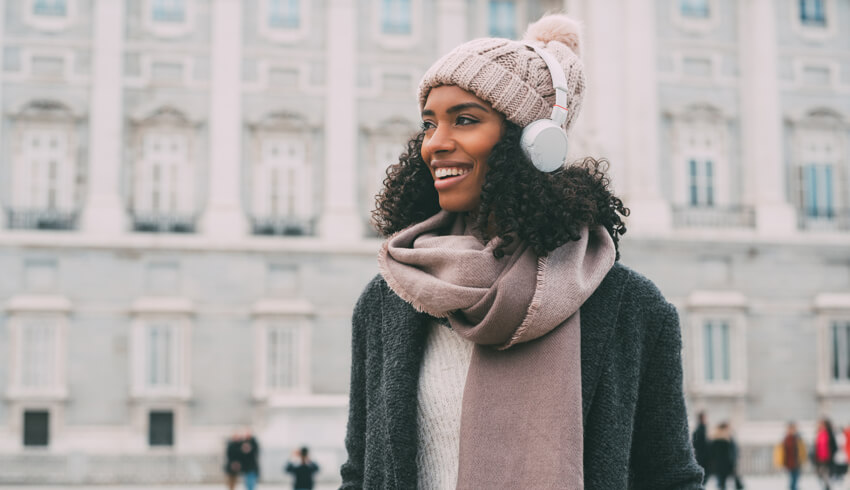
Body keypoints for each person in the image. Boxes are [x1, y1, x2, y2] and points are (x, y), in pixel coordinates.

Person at [339, 12, 703, 490]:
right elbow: (359, 474)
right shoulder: (388, 299)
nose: (435, 144)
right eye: (429, 124)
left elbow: (670, 478)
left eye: (464, 120)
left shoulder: (632, 308)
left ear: (534, 140)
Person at [774, 421, 807, 490]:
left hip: (797, 463)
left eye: (792, 428)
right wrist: (779, 462)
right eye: (790, 428)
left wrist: (803, 460)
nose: (791, 430)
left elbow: (802, 451)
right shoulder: (785, 439)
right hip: (789, 463)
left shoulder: (798, 439)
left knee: (794, 481)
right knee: (792, 481)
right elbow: (780, 451)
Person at [709, 422, 737, 490]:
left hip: (718, 463)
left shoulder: (714, 438)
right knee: (724, 481)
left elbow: (711, 453)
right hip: (726, 463)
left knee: (721, 481)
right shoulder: (727, 438)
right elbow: (730, 452)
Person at [813, 418, 838, 490]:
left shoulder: (830, 434)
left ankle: (827, 487)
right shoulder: (819, 434)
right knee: (821, 475)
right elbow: (816, 447)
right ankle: (826, 486)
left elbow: (834, 447)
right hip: (820, 459)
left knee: (828, 475)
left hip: (828, 458)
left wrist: (831, 455)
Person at [693, 411, 711, 483]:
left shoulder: (701, 429)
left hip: (702, 456)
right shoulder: (701, 430)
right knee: (705, 475)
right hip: (703, 457)